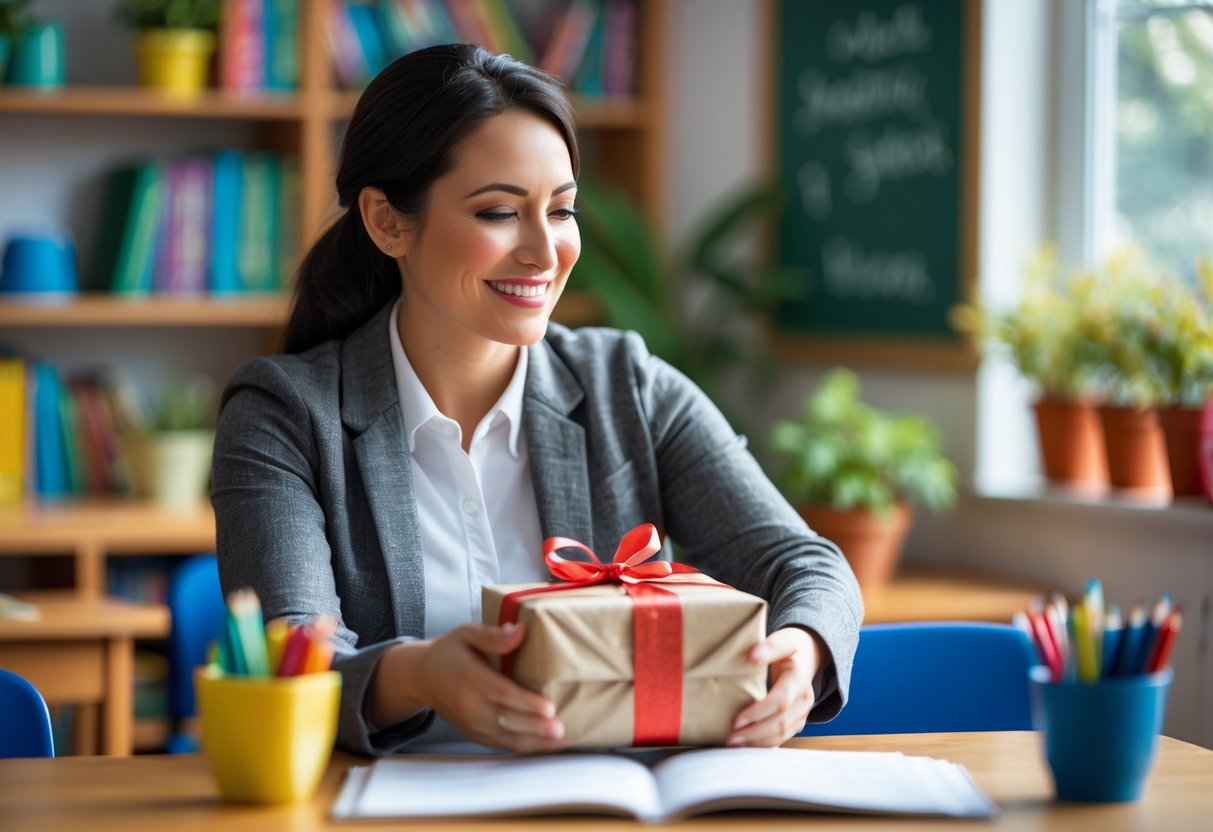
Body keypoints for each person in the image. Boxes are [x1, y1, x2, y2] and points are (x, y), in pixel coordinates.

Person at [212, 44, 863, 758]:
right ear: (387, 222)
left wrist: (800, 650)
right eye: (499, 212)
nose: (544, 251)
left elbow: (808, 566)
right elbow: (292, 661)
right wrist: (420, 675)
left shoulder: (627, 386)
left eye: (561, 211)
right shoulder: (282, 415)